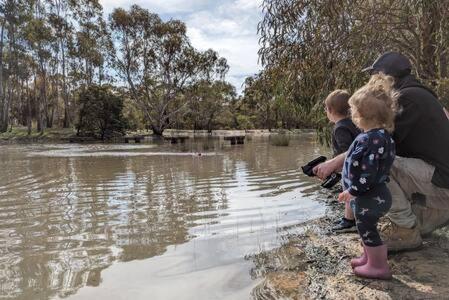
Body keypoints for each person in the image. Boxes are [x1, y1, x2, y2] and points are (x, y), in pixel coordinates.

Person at [315, 52, 449, 252]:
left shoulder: (406, 97)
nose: (371, 82)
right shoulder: (421, 93)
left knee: (377, 163)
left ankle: (405, 230)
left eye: (373, 76)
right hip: (439, 179)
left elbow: (377, 147)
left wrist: (334, 163)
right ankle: (428, 217)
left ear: (385, 76)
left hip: (441, 181)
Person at [338, 73, 397, 279]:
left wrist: (352, 190)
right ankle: (368, 258)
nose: (352, 115)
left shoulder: (370, 139)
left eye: (353, 111)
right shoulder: (382, 137)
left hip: (369, 195)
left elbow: (368, 173)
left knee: (367, 228)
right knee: (366, 229)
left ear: (360, 114)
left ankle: (378, 267)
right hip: (374, 194)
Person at [324, 90, 361, 233]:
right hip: (358, 166)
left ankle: (349, 221)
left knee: (348, 193)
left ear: (330, 110)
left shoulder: (340, 128)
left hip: (350, 168)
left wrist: (336, 165)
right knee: (352, 193)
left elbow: (348, 150)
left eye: (325, 109)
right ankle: (352, 219)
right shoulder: (354, 123)